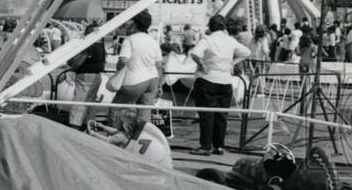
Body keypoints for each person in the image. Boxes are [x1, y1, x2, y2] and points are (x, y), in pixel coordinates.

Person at [188, 14, 250, 156]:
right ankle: (219, 146)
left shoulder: (207, 39)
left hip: (208, 78)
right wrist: (232, 64)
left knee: (206, 115)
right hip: (226, 81)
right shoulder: (230, 40)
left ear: (211, 26)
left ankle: (205, 146)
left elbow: (194, 53)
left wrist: (201, 64)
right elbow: (247, 52)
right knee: (221, 115)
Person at [110, 10, 163, 123]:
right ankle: (141, 137)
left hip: (135, 80)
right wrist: (160, 86)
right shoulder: (154, 42)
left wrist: (118, 68)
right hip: (152, 80)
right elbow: (159, 66)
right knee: (144, 114)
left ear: (135, 24)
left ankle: (113, 138)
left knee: (116, 109)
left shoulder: (130, 40)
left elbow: (123, 60)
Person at [86, 108, 173, 170]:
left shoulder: (120, 136)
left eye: (117, 121)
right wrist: (103, 127)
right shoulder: (127, 133)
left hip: (121, 158)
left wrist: (94, 134)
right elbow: (115, 131)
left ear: (122, 123)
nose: (116, 122)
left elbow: (107, 140)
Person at [67, 22, 105, 129]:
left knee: (79, 102)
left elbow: (80, 60)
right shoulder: (101, 45)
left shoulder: (89, 44)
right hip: (96, 75)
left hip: (86, 75)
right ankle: (90, 127)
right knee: (90, 104)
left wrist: (71, 68)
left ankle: (75, 127)